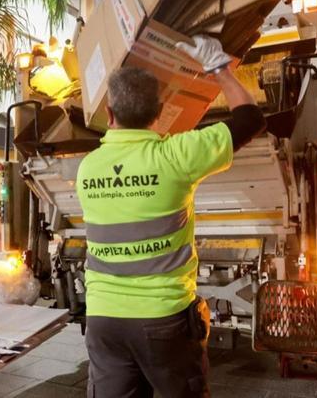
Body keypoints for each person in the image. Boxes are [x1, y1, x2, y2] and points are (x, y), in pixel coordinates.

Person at [77, 35, 266, 398]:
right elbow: (250, 119)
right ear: (161, 114)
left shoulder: (88, 168)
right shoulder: (176, 156)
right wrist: (219, 69)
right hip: (163, 321)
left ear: (110, 115)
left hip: (104, 321)